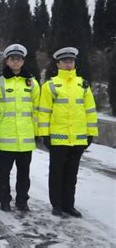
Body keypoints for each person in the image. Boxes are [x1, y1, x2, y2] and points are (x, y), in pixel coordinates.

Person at [38, 47, 98, 218]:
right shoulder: (50, 85)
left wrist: (90, 133)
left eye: (70, 61)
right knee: (57, 173)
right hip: (58, 139)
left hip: (78, 139)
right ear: (57, 64)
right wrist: (45, 134)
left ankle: (68, 205)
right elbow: (44, 112)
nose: (68, 64)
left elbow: (90, 111)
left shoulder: (83, 85)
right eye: (64, 61)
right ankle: (56, 204)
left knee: (71, 175)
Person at [0, 44, 40, 212]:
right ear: (7, 61)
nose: (16, 62)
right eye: (12, 59)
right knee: (4, 173)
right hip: (6, 137)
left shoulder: (32, 83)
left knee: (24, 175)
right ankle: (4, 200)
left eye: (19, 59)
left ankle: (22, 201)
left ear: (23, 61)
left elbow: (37, 110)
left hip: (25, 138)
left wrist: (37, 132)